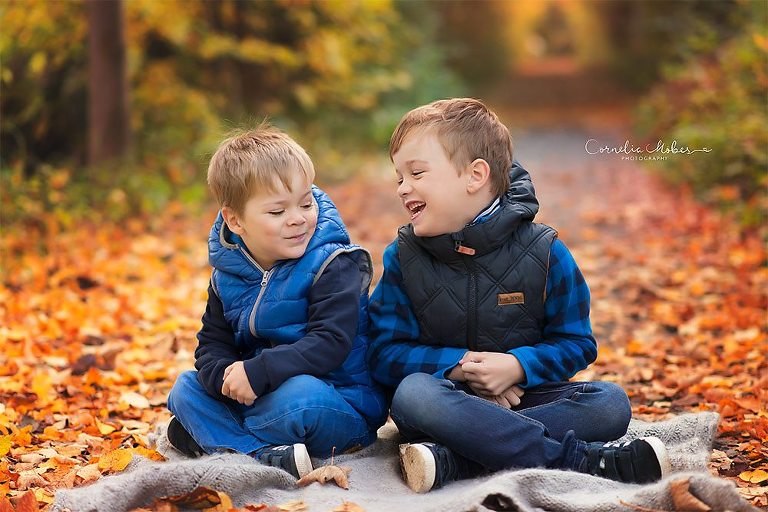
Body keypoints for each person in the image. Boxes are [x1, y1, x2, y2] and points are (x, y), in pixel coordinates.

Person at [366, 98, 671, 493]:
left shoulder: (544, 252)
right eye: (399, 178)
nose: (403, 188)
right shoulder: (404, 257)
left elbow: (576, 343)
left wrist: (517, 366)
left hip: (525, 399)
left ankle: (455, 461)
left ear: (475, 176)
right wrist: (462, 366)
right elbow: (383, 352)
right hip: (446, 407)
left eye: (417, 173)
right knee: (412, 395)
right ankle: (575, 460)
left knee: (609, 403)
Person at [166, 126, 387, 479]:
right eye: (277, 211)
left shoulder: (333, 264)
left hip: (337, 402)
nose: (298, 218)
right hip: (258, 397)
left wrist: (257, 372)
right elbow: (212, 344)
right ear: (235, 220)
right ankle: (261, 453)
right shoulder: (227, 278)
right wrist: (225, 377)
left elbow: (330, 343)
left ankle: (218, 440)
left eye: (306, 202)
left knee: (297, 397)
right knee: (185, 389)